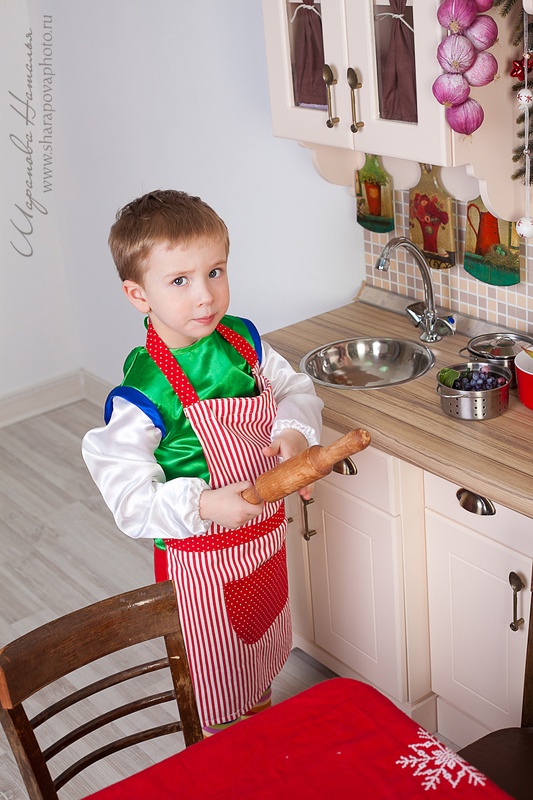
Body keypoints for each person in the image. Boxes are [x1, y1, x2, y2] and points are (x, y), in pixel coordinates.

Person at [82, 189, 323, 736]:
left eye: (215, 271)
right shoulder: (143, 393)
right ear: (138, 295)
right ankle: (226, 752)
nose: (205, 296)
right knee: (216, 690)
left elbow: (293, 387)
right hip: (200, 571)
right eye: (179, 281)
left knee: (257, 666)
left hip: (263, 546)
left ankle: (259, 726)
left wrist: (293, 432)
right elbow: (130, 502)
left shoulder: (241, 342)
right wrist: (206, 504)